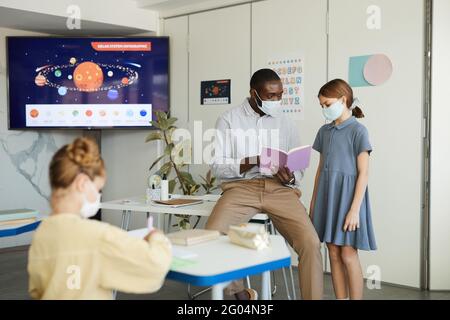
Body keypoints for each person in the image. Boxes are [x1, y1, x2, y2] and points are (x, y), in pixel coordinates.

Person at [207, 68, 324, 300]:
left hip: (280, 190)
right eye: (271, 96)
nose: (277, 100)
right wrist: (251, 161)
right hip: (241, 188)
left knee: (310, 243)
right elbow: (216, 166)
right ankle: (240, 293)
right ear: (254, 93)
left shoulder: (285, 122)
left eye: (280, 95)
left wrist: (290, 176)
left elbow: (298, 164)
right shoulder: (228, 120)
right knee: (211, 237)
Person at [28, 137, 172, 299]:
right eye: (98, 189)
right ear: (82, 183)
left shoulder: (41, 234)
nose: (98, 195)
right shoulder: (97, 235)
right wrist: (157, 238)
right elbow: (154, 267)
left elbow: (36, 290)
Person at [310, 79, 377, 300]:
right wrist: (313, 203)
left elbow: (363, 174)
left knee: (348, 254)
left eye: (327, 104)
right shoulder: (324, 132)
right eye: (321, 106)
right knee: (333, 252)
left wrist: (354, 210)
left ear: (343, 100)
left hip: (349, 200)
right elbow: (320, 170)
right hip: (327, 198)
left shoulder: (359, 131)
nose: (324, 109)